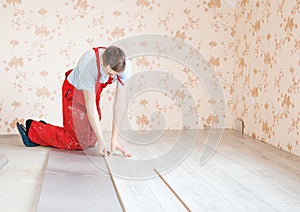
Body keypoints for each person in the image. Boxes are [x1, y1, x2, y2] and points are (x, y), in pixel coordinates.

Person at [16, 46, 132, 157]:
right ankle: (33, 131)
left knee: (92, 139)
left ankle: (47, 130)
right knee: (77, 142)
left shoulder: (124, 67)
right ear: (102, 61)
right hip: (74, 90)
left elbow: (119, 104)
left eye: (115, 75)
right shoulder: (89, 64)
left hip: (93, 90)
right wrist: (102, 140)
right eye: (109, 73)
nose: (111, 77)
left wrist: (114, 139)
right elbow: (90, 104)